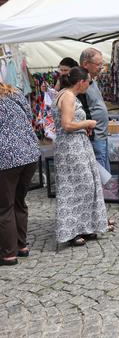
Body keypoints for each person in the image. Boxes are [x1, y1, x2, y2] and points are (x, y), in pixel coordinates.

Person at [53, 67, 108, 247]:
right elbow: (67, 124)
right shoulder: (68, 96)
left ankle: (86, 226)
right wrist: (87, 123)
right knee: (76, 187)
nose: (89, 85)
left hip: (76, 145)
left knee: (85, 185)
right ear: (81, 82)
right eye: (88, 81)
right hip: (71, 147)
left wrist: (83, 127)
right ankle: (72, 231)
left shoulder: (67, 94)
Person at [0, 82, 40, 266]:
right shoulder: (15, 93)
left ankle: (8, 254)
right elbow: (29, 117)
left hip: (6, 158)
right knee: (19, 202)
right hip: (29, 153)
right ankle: (21, 245)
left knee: (4, 207)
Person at [79, 48, 110, 172]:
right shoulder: (82, 82)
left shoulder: (92, 80)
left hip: (101, 133)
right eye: (98, 64)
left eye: (102, 64)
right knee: (100, 170)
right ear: (86, 64)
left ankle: (106, 192)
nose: (101, 68)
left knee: (104, 167)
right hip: (95, 134)